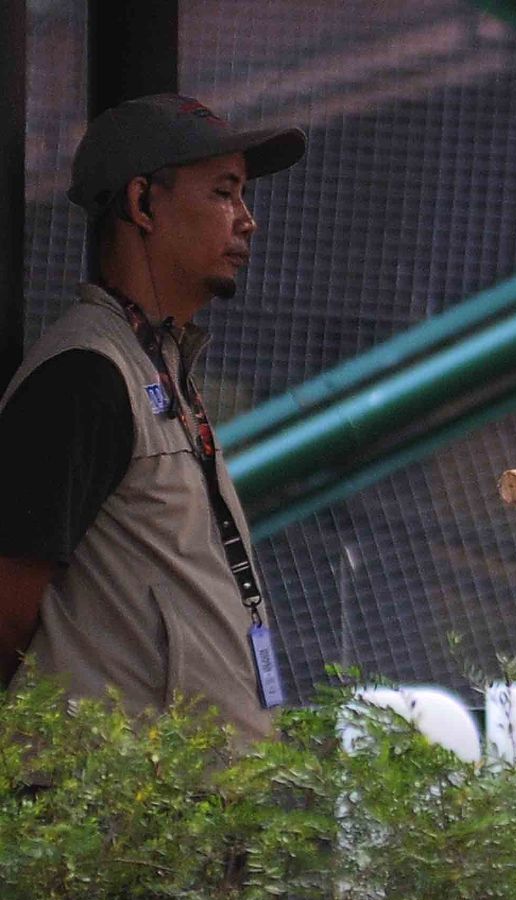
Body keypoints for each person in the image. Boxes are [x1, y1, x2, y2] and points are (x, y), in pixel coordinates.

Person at [0, 93, 306, 743]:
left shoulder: (160, 365)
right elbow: (6, 611)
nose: (246, 220)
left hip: (188, 818)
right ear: (142, 204)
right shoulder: (84, 375)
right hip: (123, 826)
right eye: (225, 192)